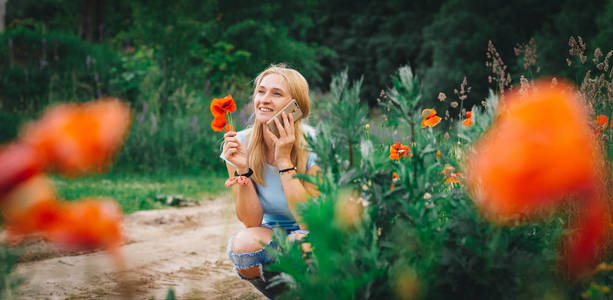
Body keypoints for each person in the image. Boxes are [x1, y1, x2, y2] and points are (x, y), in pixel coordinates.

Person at [220, 64, 320, 298]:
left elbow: (310, 221)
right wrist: (243, 169)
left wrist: (284, 159)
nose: (264, 99)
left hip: (312, 233)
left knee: (302, 247)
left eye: (276, 93)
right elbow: (250, 221)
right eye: (260, 91)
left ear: (296, 106)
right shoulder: (239, 144)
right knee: (244, 249)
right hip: (270, 233)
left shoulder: (315, 143)